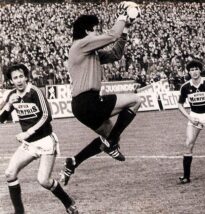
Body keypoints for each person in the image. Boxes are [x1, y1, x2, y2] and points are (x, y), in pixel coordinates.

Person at [60, 3, 141, 186]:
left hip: (81, 106)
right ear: (87, 31)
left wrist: (126, 30)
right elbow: (112, 35)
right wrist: (123, 16)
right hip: (88, 101)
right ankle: (111, 142)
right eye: (95, 30)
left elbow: (115, 54)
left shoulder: (90, 52)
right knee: (135, 100)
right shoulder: (81, 44)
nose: (97, 33)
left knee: (111, 136)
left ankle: (73, 163)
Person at [0, 64, 78, 214]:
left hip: (45, 141)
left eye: (21, 76)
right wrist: (9, 104)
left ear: (26, 77)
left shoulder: (35, 91)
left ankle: (68, 202)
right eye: (15, 77)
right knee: (10, 173)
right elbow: (1, 119)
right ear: (11, 80)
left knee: (44, 181)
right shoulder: (12, 96)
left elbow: (47, 116)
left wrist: (28, 133)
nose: (19, 80)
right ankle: (19, 212)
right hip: (29, 145)